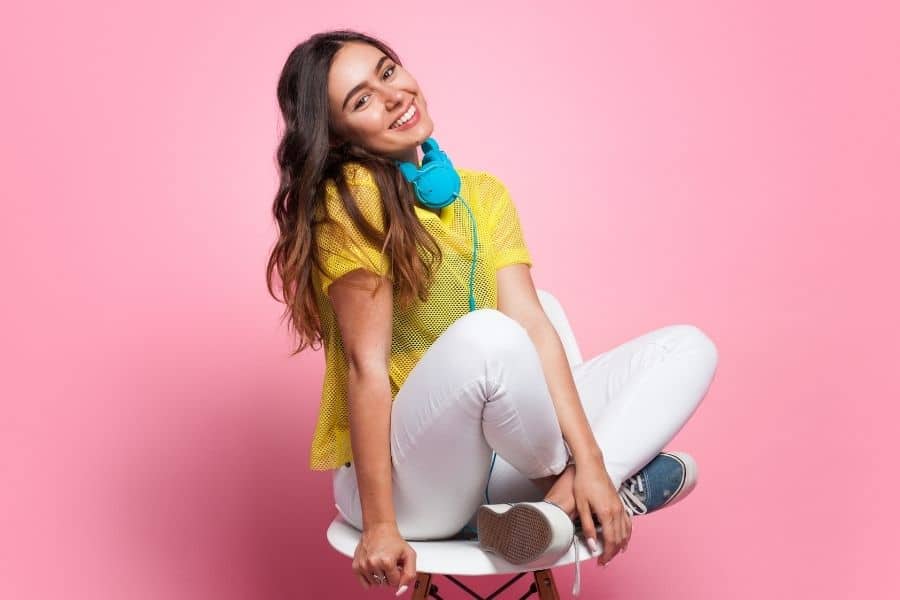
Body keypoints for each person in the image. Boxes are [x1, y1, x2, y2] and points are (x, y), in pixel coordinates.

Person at [266, 29, 719, 597]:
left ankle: (557, 508)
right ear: (337, 139)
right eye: (360, 100)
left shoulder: (482, 194)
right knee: (490, 334)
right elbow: (366, 369)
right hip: (408, 486)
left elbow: (534, 325)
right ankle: (574, 497)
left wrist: (595, 464)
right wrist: (381, 526)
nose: (391, 95)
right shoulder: (352, 201)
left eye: (387, 72)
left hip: (492, 467)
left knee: (684, 345)